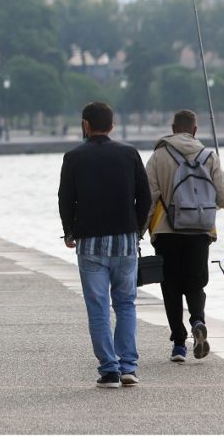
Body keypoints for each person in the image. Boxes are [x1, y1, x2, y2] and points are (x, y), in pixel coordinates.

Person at [58, 102, 150, 389]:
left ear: (85, 125)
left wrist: (69, 231)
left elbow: (65, 199)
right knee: (126, 304)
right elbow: (145, 198)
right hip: (124, 242)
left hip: (90, 245)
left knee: (98, 308)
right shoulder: (129, 154)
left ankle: (109, 370)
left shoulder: (73, 157)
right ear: (112, 126)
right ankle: (128, 367)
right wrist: (135, 229)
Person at [145, 109, 224, 362]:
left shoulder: (159, 156)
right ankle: (197, 321)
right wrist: (204, 208)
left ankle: (178, 345)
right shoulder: (209, 156)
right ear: (195, 130)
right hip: (200, 231)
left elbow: (148, 198)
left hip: (165, 232)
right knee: (196, 283)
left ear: (173, 128)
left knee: (171, 287)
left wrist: (139, 230)